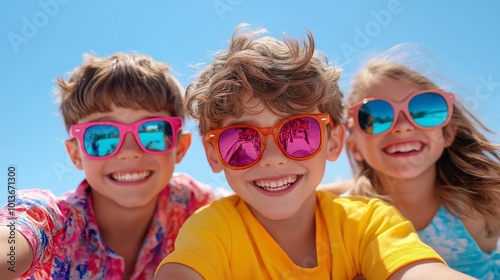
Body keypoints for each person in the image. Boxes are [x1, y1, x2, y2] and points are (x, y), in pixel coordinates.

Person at [153, 24, 474, 280]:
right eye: (241, 141)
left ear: (333, 142)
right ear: (213, 155)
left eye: (298, 133)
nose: (273, 157)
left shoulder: (369, 223)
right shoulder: (213, 231)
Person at [0, 53, 215, 279]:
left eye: (152, 132)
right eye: (102, 137)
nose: (130, 152)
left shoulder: (195, 204)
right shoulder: (51, 222)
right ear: (76, 154)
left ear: (180, 147)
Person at [324, 57, 500, 279]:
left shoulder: (480, 198)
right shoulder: (348, 214)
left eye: (423, 110)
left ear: (448, 133)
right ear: (354, 147)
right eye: (377, 116)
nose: (403, 126)